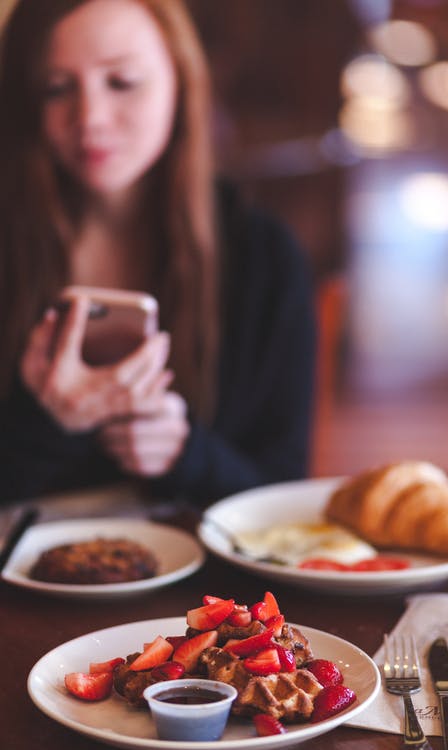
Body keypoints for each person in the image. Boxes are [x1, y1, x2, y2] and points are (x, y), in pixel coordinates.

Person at [0, 0, 316, 507]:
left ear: (181, 80)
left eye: (122, 81)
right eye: (57, 88)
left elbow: (284, 503)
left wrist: (185, 454)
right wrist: (42, 425)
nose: (91, 118)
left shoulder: (262, 259)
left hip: (198, 585)